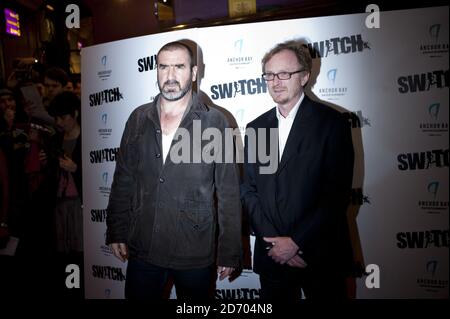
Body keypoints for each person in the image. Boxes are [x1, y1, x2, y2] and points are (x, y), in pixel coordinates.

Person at [106, 41, 242, 300]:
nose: (169, 76)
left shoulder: (215, 122)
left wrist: (229, 250)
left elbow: (229, 192)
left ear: (193, 72)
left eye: (179, 67)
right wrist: (116, 230)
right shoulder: (138, 118)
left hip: (194, 252)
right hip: (144, 247)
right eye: (163, 67)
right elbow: (123, 179)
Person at [240, 40, 354, 299]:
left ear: (304, 76)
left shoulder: (332, 124)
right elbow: (250, 190)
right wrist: (274, 242)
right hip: (272, 258)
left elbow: (335, 196)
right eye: (269, 75)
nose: (275, 82)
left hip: (319, 254)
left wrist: (295, 243)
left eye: (284, 74)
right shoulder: (257, 128)